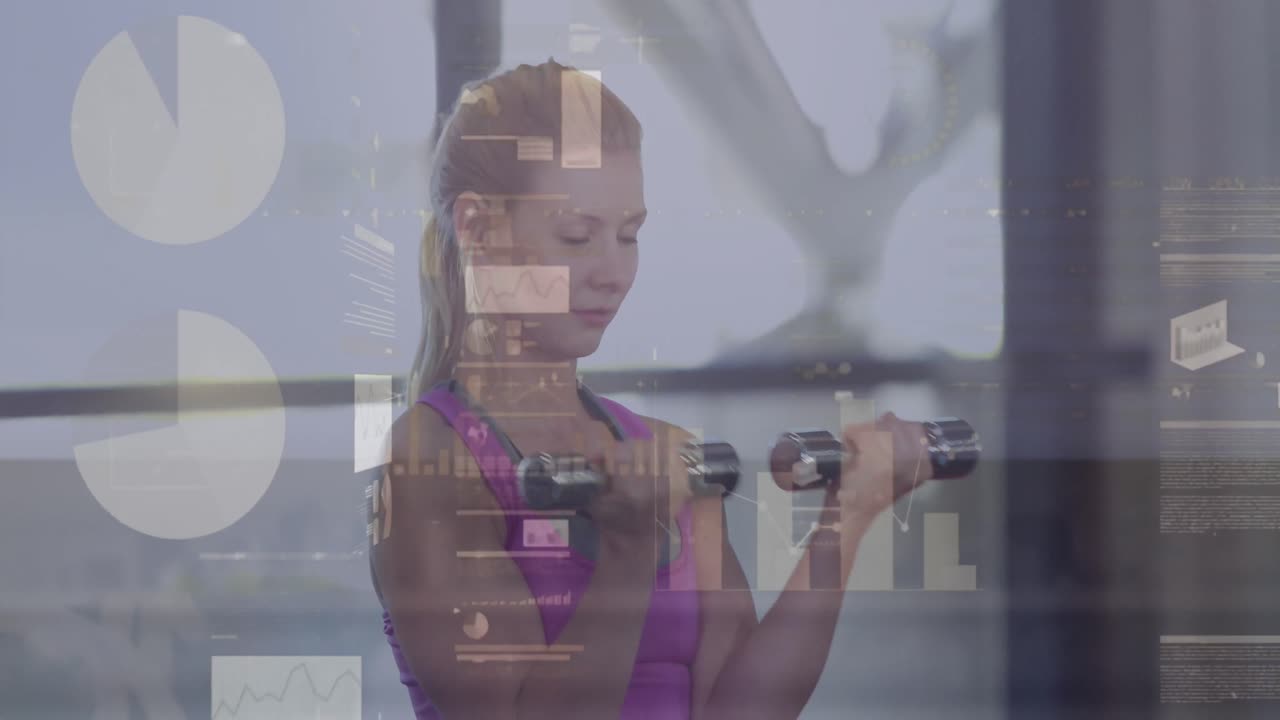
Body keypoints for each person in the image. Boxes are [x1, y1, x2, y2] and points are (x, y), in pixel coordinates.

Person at [369, 59, 936, 720]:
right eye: (576, 236)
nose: (613, 271)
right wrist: (629, 549)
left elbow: (740, 712)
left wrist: (849, 516)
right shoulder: (428, 459)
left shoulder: (664, 453)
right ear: (477, 228)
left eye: (629, 234)